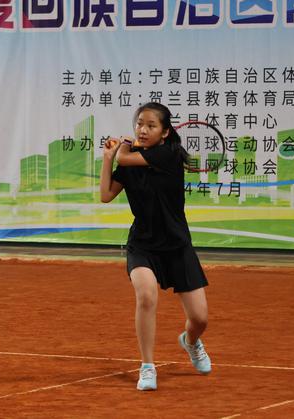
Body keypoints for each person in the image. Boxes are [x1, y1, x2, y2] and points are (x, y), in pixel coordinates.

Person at [100, 102, 211, 391]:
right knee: (147, 296)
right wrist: (107, 158)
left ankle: (191, 342)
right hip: (143, 245)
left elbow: (125, 158)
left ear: (164, 132)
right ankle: (147, 366)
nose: (142, 129)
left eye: (150, 125)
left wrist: (122, 149)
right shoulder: (130, 163)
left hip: (177, 245)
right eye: (139, 124)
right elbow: (105, 195)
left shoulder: (169, 154)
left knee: (199, 319)